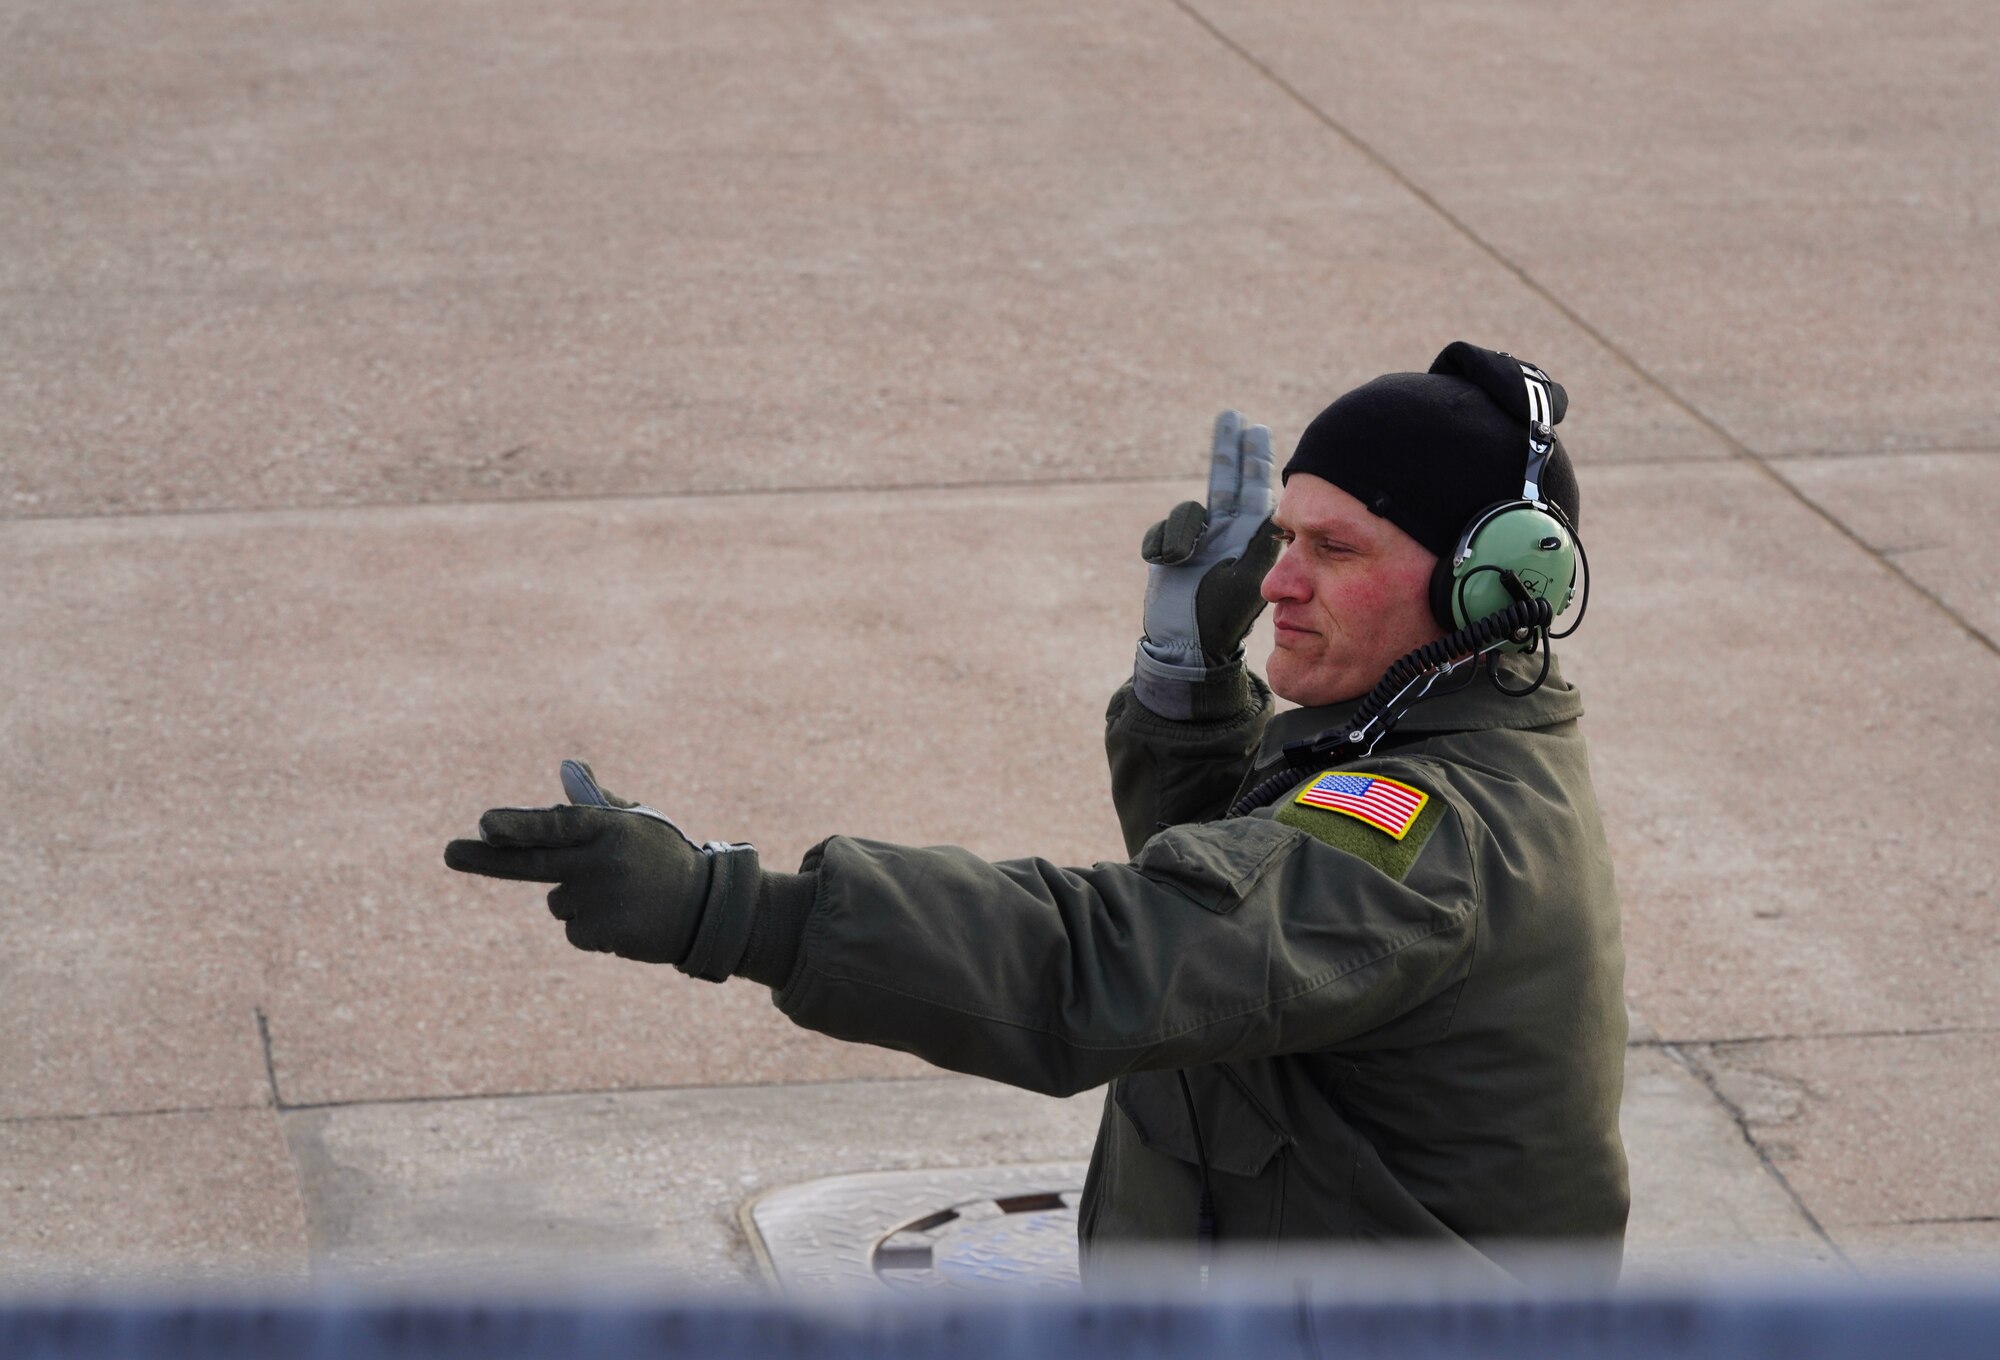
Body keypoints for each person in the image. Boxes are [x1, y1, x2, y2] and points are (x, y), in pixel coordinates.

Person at [445, 341, 1629, 1281]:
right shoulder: (1430, 733)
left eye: (1332, 546)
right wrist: (1182, 681)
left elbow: (1121, 959)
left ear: (1492, 584)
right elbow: (1250, 897)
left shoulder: (1428, 836)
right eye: (1280, 539)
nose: (1276, 581)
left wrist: (729, 908)